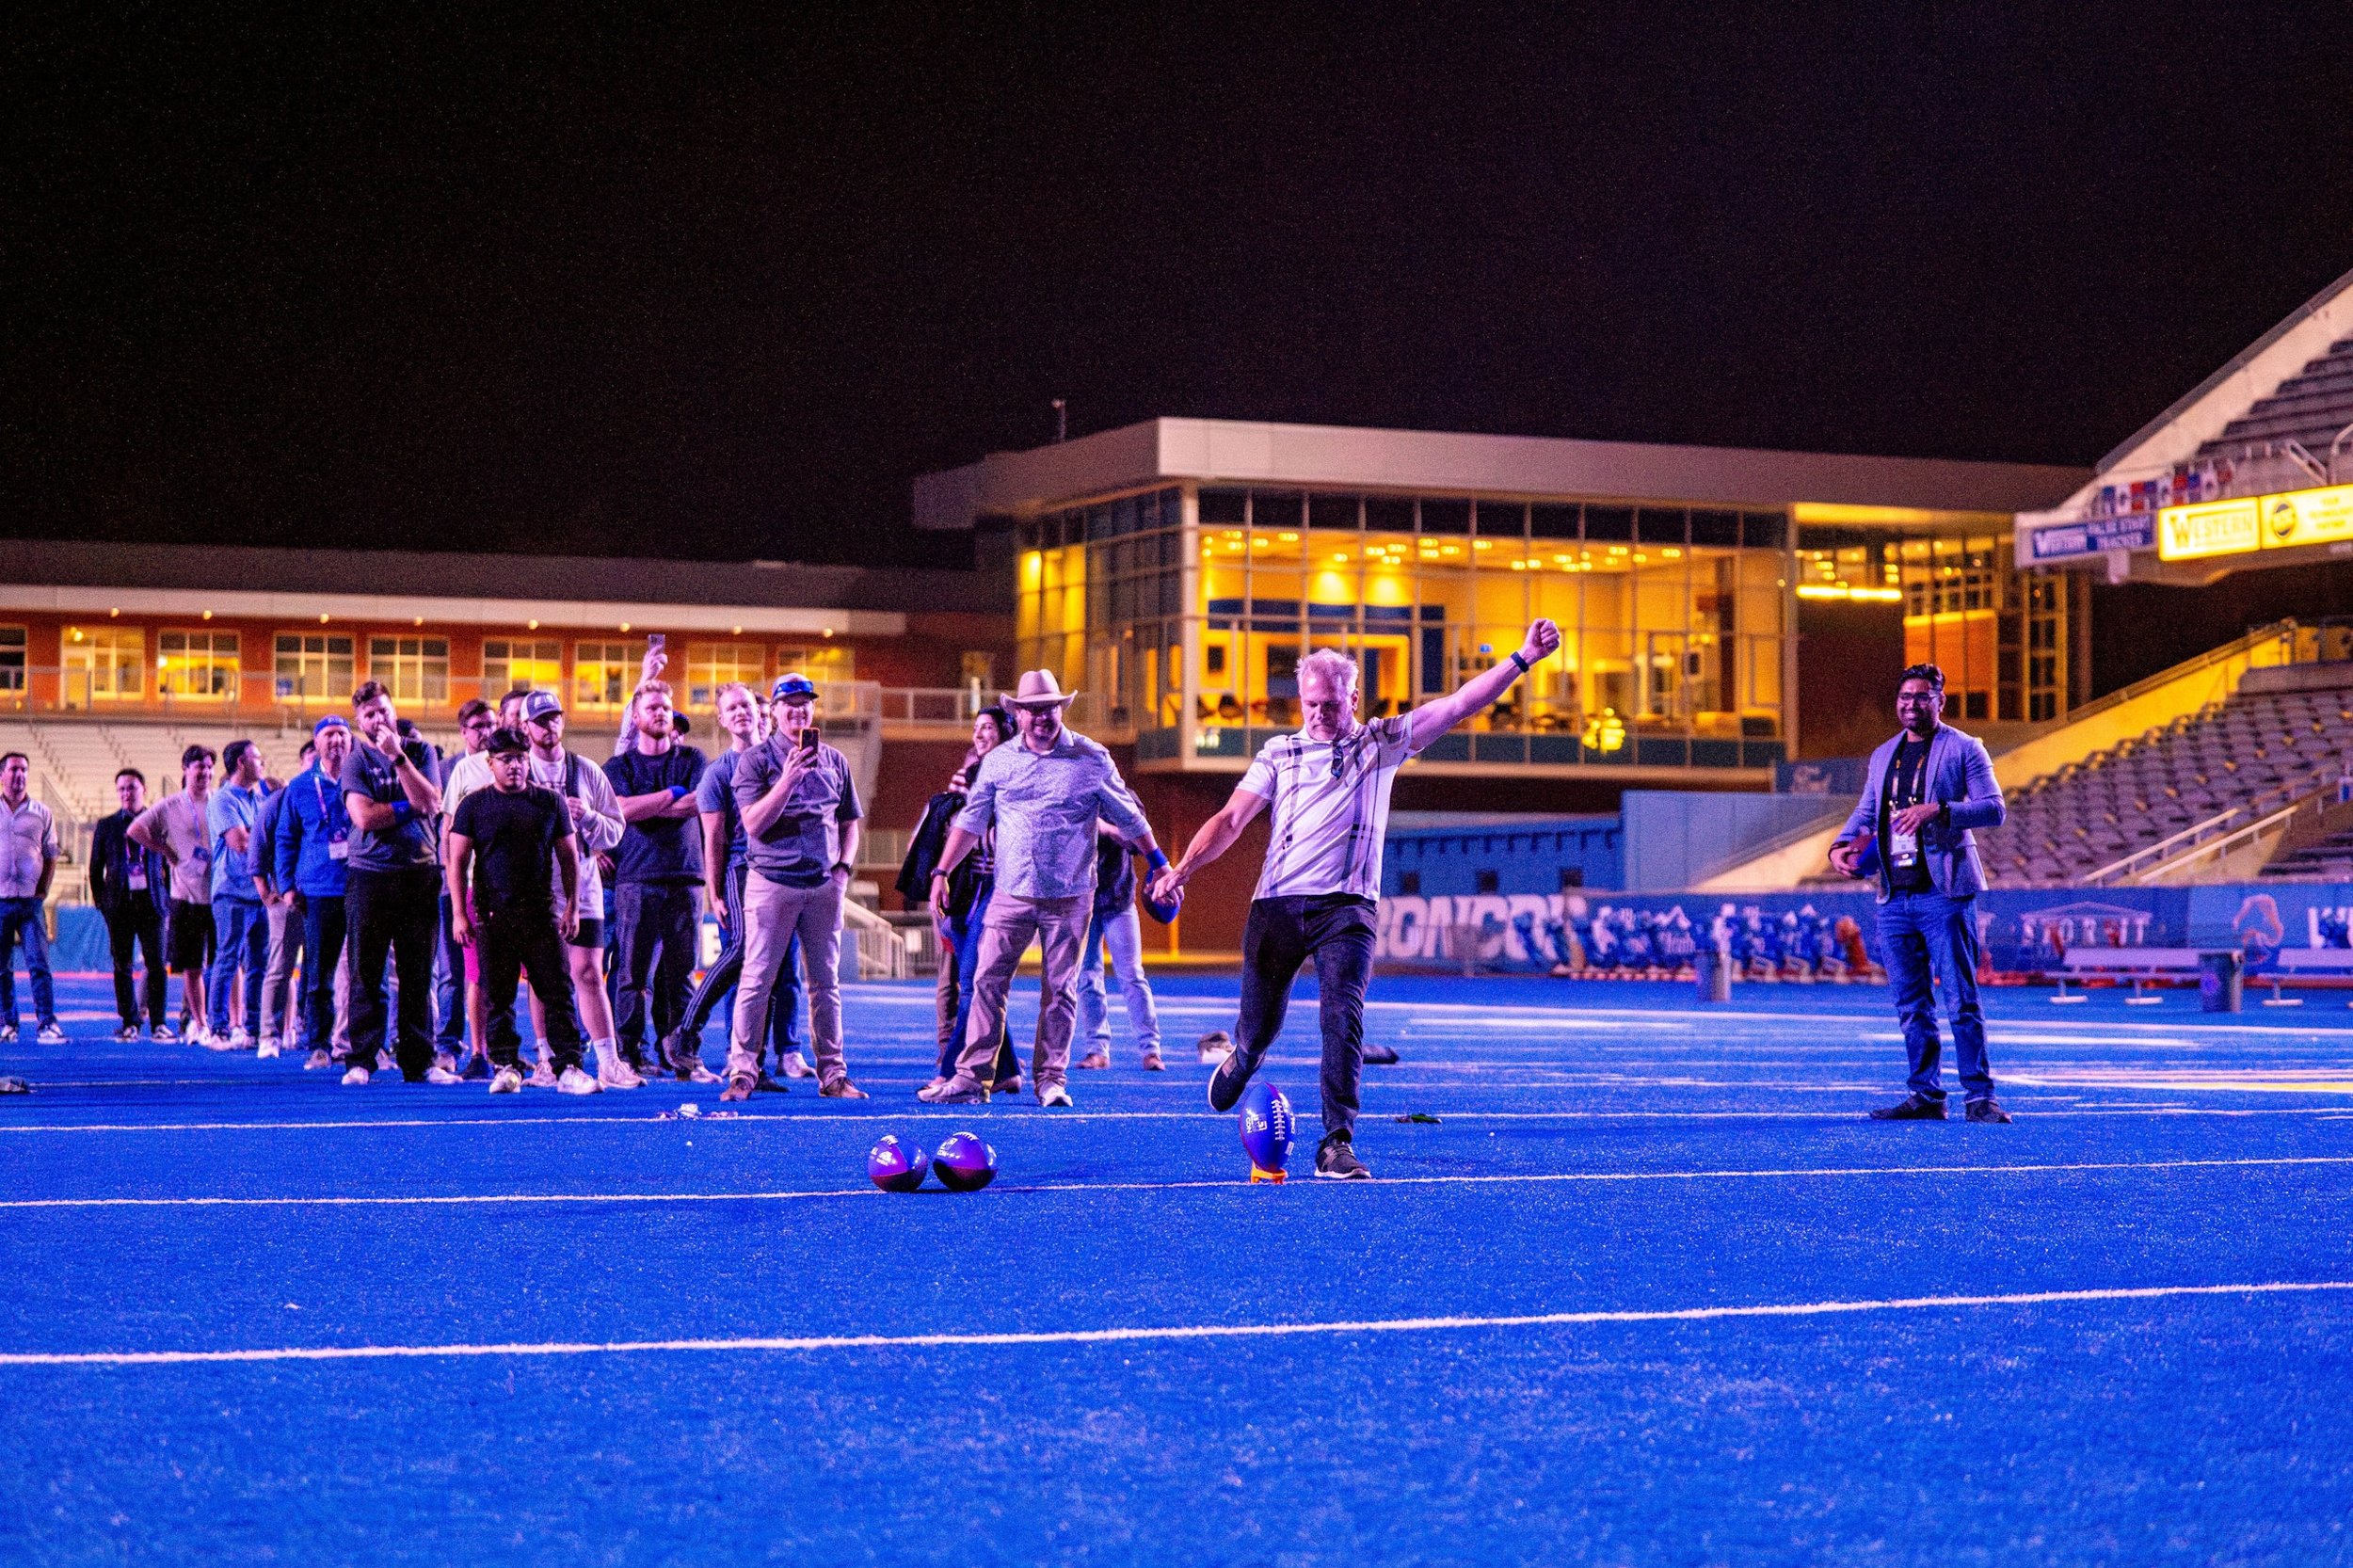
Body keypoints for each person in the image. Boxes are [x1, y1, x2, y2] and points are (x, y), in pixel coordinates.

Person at [1153, 621, 1564, 1177]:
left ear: (1353, 699)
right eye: (1309, 704)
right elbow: (1230, 819)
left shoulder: (1380, 742)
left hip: (1347, 908)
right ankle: (1244, 1057)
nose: (1319, 714)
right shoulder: (1280, 753)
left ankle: (1336, 1140)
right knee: (1258, 1028)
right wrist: (1182, 869)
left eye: (1329, 704)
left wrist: (1522, 658)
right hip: (1277, 903)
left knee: (1342, 1014)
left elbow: (1458, 705)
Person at [924, 670, 1165, 1109]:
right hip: (1010, 892)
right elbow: (971, 822)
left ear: (1061, 709)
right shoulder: (999, 762)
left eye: (1049, 707)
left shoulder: (1091, 758)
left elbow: (1131, 817)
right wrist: (941, 872)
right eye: (1032, 709)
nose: (1041, 716)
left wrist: (1160, 864)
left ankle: (1051, 1078)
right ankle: (971, 1077)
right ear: (1016, 714)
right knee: (985, 983)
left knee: (1061, 989)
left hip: (1070, 896)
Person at [1829, 663, 2012, 1123]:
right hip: (1894, 896)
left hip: (1944, 893)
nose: (1911, 704)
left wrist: (1939, 810)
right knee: (1911, 1005)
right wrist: (1839, 847)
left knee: (1961, 1000)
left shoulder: (1965, 749)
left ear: (1940, 700)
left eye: (1922, 696)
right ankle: (1926, 1095)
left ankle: (1980, 1097)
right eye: (1905, 696)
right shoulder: (1882, 755)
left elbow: (1994, 809)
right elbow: (1866, 813)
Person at [724, 672, 868, 1102]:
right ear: (774, 710)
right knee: (757, 980)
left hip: (823, 885)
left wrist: (843, 867)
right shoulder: (756, 760)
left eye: (805, 702)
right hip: (772, 884)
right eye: (789, 703)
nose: (798, 709)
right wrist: (786, 779)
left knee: (826, 985)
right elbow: (753, 823)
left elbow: (849, 821)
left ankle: (834, 1075)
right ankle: (743, 1072)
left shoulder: (835, 760)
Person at [446, 727, 600, 1096]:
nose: (514, 765)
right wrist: (458, 913)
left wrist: (572, 909)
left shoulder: (549, 802)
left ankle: (568, 1068)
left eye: (519, 757)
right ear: (491, 763)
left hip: (541, 915)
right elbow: (456, 861)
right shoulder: (473, 805)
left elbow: (568, 858)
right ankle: (507, 1066)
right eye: (505, 759)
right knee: (498, 994)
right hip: (493, 917)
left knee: (558, 991)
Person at [673, 680, 806, 1085]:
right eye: (731, 709)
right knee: (747, 953)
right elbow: (713, 838)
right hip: (741, 870)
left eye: (745, 705)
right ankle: (687, 1032)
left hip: (786, 872)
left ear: (761, 709)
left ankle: (758, 1060)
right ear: (721, 718)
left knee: (776, 970)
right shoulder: (718, 773)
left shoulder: (789, 758)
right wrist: (715, 891)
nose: (740, 713)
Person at [898, 711, 1017, 1094]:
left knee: (972, 982)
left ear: (1005, 733)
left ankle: (950, 1070)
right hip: (967, 890)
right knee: (979, 984)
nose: (980, 734)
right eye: (976, 728)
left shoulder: (1015, 771)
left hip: (1000, 888)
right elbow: (945, 832)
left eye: (989, 727)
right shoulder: (968, 775)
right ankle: (1008, 1070)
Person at [339, 680, 450, 1086]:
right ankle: (361, 1060)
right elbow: (364, 818)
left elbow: (433, 802)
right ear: (360, 721)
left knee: (418, 973)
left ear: (393, 709)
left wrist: (399, 758)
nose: (378, 718)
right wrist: (408, 806)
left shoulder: (420, 752)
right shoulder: (355, 761)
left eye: (382, 710)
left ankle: (418, 1062)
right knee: (366, 971)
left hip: (419, 874)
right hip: (370, 875)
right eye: (369, 714)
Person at [518, 690, 629, 1086]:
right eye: (540, 720)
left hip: (582, 881)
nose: (549, 726)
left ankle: (608, 1061)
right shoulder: (518, 769)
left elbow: (616, 828)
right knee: (540, 974)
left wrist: (589, 818)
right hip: (535, 882)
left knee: (588, 972)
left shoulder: (585, 770)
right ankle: (547, 1059)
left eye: (554, 718)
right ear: (525, 727)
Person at [603, 680, 708, 1080]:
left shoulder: (693, 758)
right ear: (636, 716)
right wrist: (671, 796)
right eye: (652, 708)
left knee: (682, 974)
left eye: (666, 707)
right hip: (637, 877)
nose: (661, 713)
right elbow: (623, 809)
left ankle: (682, 1052)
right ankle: (631, 1053)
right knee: (633, 974)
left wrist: (652, 805)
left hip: (685, 877)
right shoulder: (620, 767)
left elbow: (697, 803)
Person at [277, 717, 355, 1071]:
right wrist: (287, 885)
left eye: (342, 734)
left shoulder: (363, 775)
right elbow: (285, 838)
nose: (336, 740)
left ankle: (365, 1045)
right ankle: (320, 1044)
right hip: (319, 889)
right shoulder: (299, 787)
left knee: (367, 972)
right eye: (329, 735)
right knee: (319, 973)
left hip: (362, 884)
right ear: (317, 743)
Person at [130, 745, 216, 1043]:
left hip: (220, 894)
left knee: (226, 964)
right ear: (185, 769)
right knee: (192, 966)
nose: (204, 772)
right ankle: (201, 1023)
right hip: (186, 897)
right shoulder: (170, 805)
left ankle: (225, 1023)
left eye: (208, 767)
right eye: (198, 767)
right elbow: (136, 829)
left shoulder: (220, 802)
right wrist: (164, 849)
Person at [434, 697, 499, 1075]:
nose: (486, 732)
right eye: (478, 727)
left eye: (490, 724)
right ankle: (451, 1044)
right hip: (462, 885)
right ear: (463, 732)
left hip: (502, 887)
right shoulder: (452, 770)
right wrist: (451, 883)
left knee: (494, 972)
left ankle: (495, 1048)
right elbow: (447, 832)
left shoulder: (510, 763)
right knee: (456, 972)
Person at [90, 767, 170, 1041]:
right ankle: (130, 1021)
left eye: (132, 788)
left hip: (152, 905)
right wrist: (104, 904)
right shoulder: (107, 825)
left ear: (143, 790)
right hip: (120, 905)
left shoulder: (157, 822)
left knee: (157, 964)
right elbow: (95, 870)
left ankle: (159, 1022)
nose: (126, 793)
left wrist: (166, 899)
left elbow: (169, 863)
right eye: (122, 788)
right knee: (122, 965)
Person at [1076, 824, 1162, 1070]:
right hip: (1082, 902)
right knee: (1087, 978)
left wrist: (1104, 827)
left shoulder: (1124, 799)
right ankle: (1097, 1050)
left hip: (1118, 900)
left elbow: (1137, 843)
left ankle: (1151, 1050)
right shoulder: (1075, 796)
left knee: (1132, 975)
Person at [204, 739, 270, 1051]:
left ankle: (252, 1028)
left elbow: (255, 835)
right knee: (227, 959)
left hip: (262, 892)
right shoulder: (222, 800)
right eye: (257, 758)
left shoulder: (262, 796)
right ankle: (217, 1027)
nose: (263, 762)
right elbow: (240, 842)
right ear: (241, 763)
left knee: (259, 964)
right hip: (232, 890)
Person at [0, 752, 64, 1045]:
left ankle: (47, 1023)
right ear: (2, 775)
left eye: (24, 770)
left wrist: (43, 889)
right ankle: (8, 1023)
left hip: (30, 902)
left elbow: (51, 856)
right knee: (1, 968)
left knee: (39, 965)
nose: (19, 775)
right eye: (14, 769)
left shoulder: (42, 812)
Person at [250, 743, 307, 1057]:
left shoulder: (339, 794)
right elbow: (258, 844)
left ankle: (328, 1037)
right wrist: (265, 891)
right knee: (280, 966)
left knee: (338, 970)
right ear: (302, 764)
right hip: (287, 897)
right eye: (311, 759)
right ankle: (268, 1034)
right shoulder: (279, 801)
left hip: (329, 895)